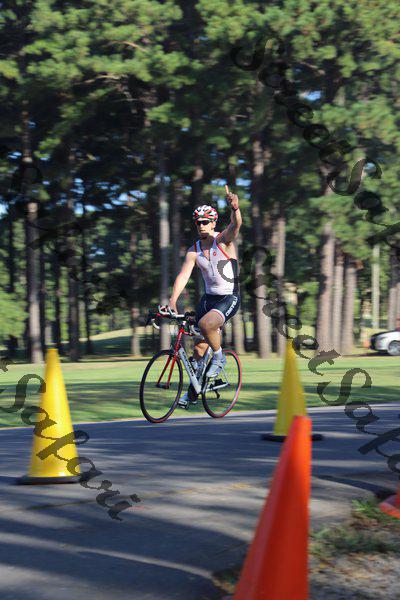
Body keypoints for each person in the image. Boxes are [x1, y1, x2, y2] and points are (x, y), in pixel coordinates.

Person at [162, 185, 242, 408]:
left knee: (206, 325)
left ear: (214, 223)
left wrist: (235, 209)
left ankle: (220, 357)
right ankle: (193, 393)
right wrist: (172, 301)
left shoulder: (223, 240)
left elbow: (235, 226)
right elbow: (183, 275)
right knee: (198, 351)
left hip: (228, 297)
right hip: (208, 299)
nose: (202, 225)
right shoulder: (194, 250)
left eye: (206, 221)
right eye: (198, 222)